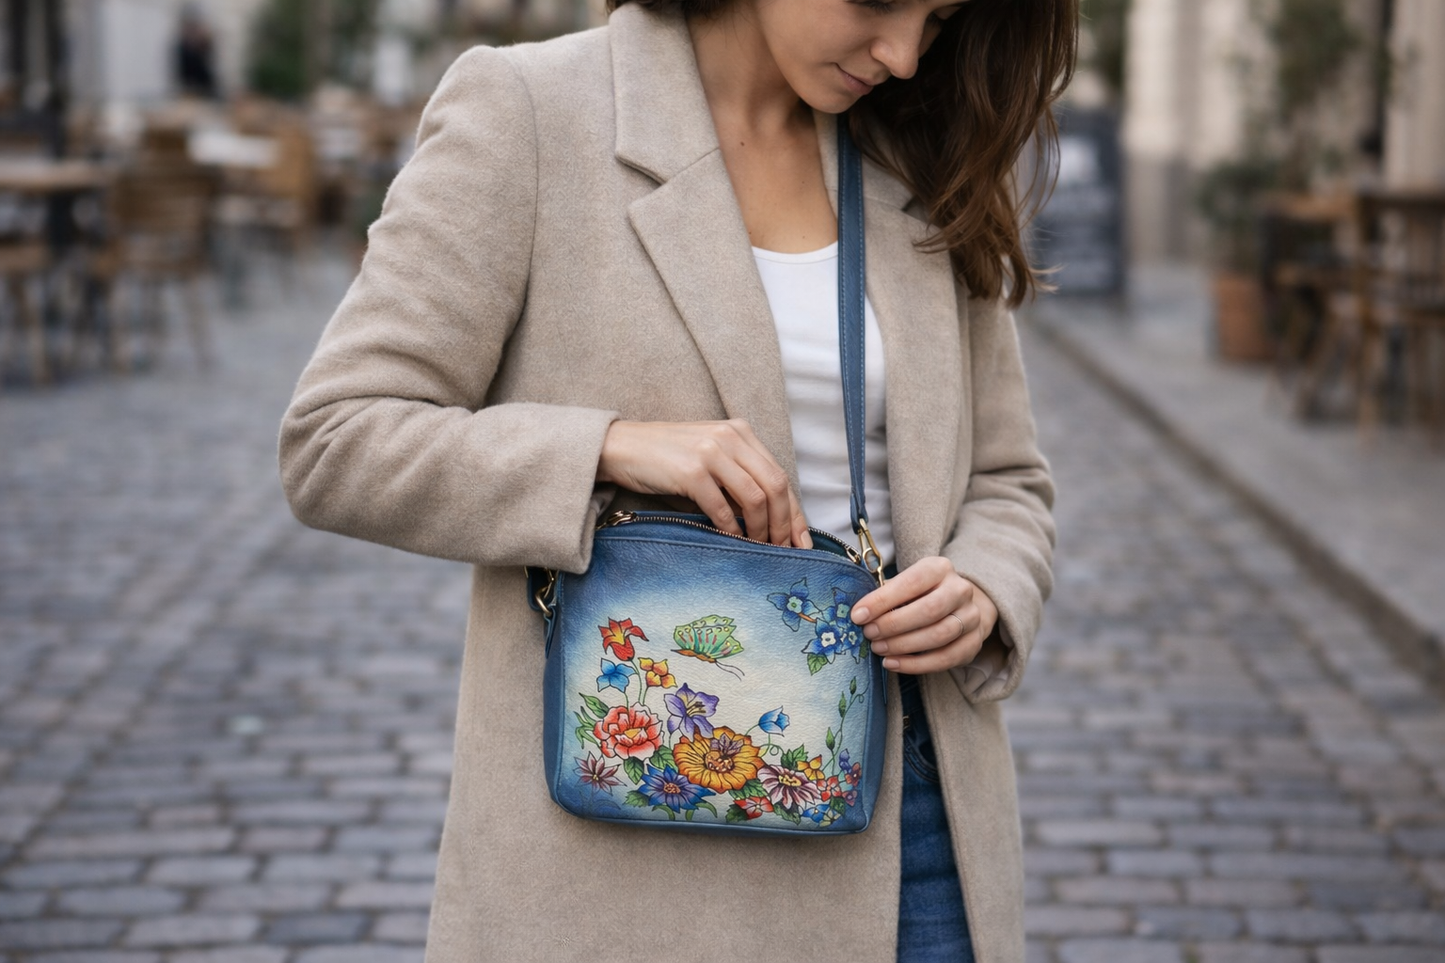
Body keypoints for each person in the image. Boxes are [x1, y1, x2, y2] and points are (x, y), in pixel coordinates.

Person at [279, 0, 1072, 958]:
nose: (903, 55)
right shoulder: (533, 112)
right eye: (876, 3)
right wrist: (609, 446)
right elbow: (336, 438)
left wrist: (983, 583)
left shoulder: (916, 147)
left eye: (938, 19)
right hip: (628, 867)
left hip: (916, 838)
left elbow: (1007, 477)